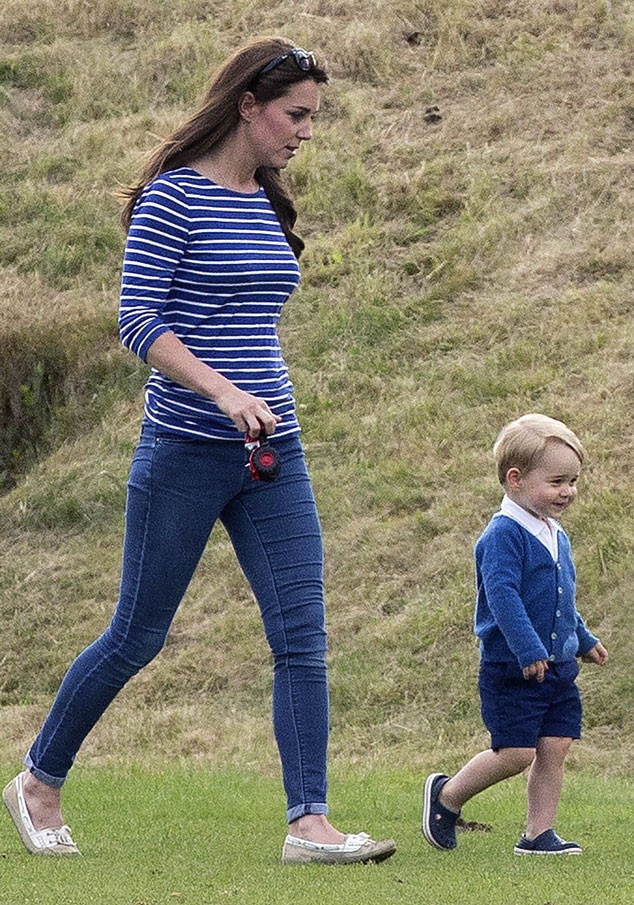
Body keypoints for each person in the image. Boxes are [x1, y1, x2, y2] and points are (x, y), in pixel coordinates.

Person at [3, 36, 396, 866]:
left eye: (313, 118)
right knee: (138, 634)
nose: (305, 133)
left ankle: (309, 821)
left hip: (272, 452)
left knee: (302, 634)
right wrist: (221, 391)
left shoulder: (264, 200)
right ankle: (38, 780)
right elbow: (138, 321)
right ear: (248, 105)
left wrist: (258, 402)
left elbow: (251, 319)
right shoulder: (172, 201)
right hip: (184, 449)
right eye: (295, 115)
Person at [421, 413, 608, 856]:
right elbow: (503, 598)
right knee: (516, 752)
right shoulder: (503, 535)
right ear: (515, 479)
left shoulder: (552, 531)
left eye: (573, 481)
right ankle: (447, 797)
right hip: (514, 666)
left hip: (557, 667)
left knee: (556, 745)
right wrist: (527, 648)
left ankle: (538, 835)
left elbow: (557, 599)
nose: (568, 492)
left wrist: (581, 637)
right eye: (558, 482)